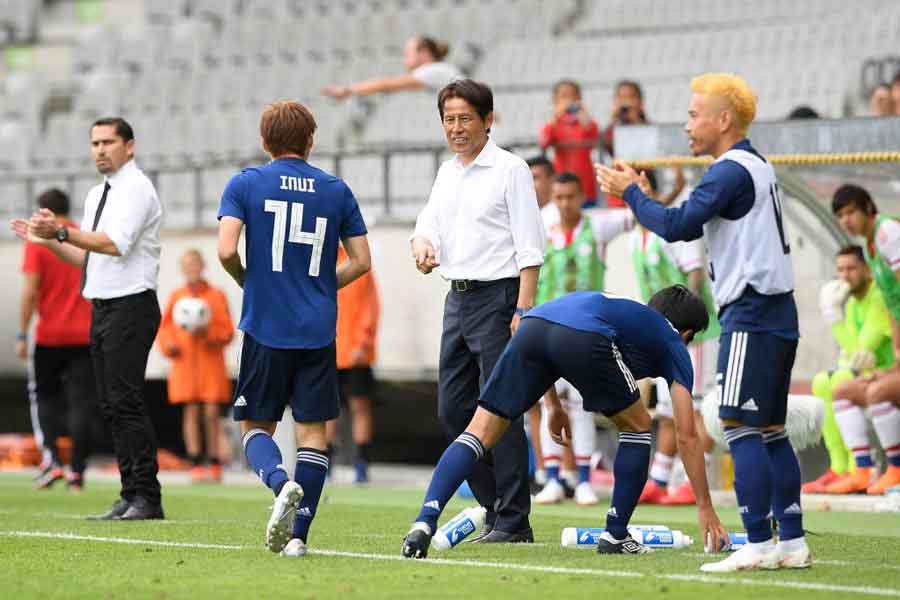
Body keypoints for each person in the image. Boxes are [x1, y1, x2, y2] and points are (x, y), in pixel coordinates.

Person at [597, 73, 811, 572]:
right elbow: (683, 217)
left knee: (736, 423)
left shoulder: (728, 170)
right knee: (772, 429)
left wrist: (631, 193)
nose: (687, 123)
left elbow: (677, 225)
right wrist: (646, 197)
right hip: (778, 310)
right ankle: (792, 541)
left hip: (752, 311)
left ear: (723, 119)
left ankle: (757, 541)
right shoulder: (755, 165)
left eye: (695, 114)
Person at [401, 286, 728, 558]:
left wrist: (553, 405)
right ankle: (615, 535)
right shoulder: (674, 343)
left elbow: (556, 343)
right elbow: (687, 435)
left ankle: (425, 520)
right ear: (687, 333)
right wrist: (705, 508)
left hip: (535, 324)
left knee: (479, 430)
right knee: (638, 425)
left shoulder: (628, 314)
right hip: (582, 335)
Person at [217, 100, 371, 557]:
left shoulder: (246, 183)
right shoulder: (336, 189)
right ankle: (298, 538)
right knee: (313, 434)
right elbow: (362, 262)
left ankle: (280, 483)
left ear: (265, 142)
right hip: (318, 328)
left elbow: (226, 249)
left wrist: (249, 280)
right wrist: (322, 285)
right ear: (310, 141)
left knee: (254, 427)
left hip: (266, 323)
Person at [411, 79, 545, 544]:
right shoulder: (446, 172)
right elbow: (425, 227)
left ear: (488, 120)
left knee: (501, 410)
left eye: (465, 117)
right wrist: (422, 246)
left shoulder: (511, 170)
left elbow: (530, 247)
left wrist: (523, 309)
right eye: (448, 119)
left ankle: (513, 519)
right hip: (458, 299)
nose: (456, 127)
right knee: (453, 409)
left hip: (500, 298)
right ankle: (493, 507)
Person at [12, 117, 165, 520]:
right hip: (103, 305)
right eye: (94, 143)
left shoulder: (136, 188)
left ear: (129, 146)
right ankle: (130, 493)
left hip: (131, 305)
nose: (99, 150)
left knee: (126, 402)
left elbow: (114, 244)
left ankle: (147, 496)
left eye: (108, 142)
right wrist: (47, 240)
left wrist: (60, 232)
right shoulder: (99, 193)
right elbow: (86, 256)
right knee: (111, 405)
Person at [532, 171, 634, 507]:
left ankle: (586, 480)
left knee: (582, 405)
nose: (564, 204)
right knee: (552, 403)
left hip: (587, 330)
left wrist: (638, 191)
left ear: (581, 197)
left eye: (570, 197)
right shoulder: (541, 227)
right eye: (558, 197)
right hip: (548, 327)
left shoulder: (597, 226)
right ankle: (553, 478)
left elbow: (636, 217)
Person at [630, 168, 719, 506]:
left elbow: (695, 272)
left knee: (696, 406)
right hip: (666, 337)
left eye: (640, 186)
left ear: (653, 191)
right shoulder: (636, 237)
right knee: (668, 408)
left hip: (695, 336)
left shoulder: (674, 230)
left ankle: (691, 481)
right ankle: (659, 479)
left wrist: (685, 319)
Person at [18, 188, 96, 491]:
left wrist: (22, 333)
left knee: (47, 400)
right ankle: (77, 471)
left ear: (43, 210)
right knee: (81, 403)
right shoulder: (81, 236)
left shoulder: (39, 239)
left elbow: (29, 291)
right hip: (84, 334)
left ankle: (52, 462)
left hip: (50, 334)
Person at [828, 184, 900, 494]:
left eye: (850, 212)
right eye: (840, 215)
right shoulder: (871, 247)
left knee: (878, 392)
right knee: (843, 390)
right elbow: (895, 307)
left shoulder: (888, 234)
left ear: (868, 207)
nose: (846, 221)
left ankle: (896, 469)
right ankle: (862, 472)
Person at [804, 245, 893, 493]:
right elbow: (852, 355)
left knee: (841, 378)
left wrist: (833, 317)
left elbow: (861, 352)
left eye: (851, 268)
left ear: (867, 270)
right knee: (823, 381)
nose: (845, 275)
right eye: (840, 269)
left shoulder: (878, 297)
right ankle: (839, 467)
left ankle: (860, 469)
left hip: (886, 374)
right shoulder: (852, 302)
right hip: (867, 376)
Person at [156, 249, 235, 483]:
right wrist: (169, 345)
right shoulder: (177, 296)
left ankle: (214, 459)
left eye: (195, 263)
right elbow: (165, 328)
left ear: (202, 266)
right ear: (182, 268)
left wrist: (208, 333)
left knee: (211, 411)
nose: (192, 268)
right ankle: (196, 460)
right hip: (185, 362)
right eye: (187, 264)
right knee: (190, 410)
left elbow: (227, 330)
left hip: (210, 361)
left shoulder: (216, 295)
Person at [326, 242, 381, 484]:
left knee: (360, 406)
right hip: (326, 347)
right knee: (326, 409)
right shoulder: (317, 259)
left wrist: (364, 340)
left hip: (355, 351)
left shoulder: (357, 260)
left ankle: (362, 462)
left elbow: (370, 306)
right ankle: (324, 462)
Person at [322, 36, 461, 100]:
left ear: (424, 53)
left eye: (407, 54)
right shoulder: (441, 71)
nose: (404, 60)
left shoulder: (432, 70)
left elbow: (386, 85)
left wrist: (348, 90)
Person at [539, 80, 600, 207]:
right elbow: (544, 142)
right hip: (562, 185)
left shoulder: (586, 122)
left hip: (585, 185)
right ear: (555, 100)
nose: (569, 100)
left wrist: (583, 115)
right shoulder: (554, 124)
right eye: (564, 96)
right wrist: (556, 116)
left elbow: (594, 136)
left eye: (572, 95)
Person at [601, 80, 647, 208]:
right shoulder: (613, 126)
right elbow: (606, 146)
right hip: (618, 187)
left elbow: (648, 146)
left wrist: (636, 121)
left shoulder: (646, 125)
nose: (626, 102)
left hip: (643, 183)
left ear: (640, 101)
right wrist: (614, 119)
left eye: (631, 97)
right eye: (621, 97)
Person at [526, 155, 559, 229]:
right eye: (526, 178)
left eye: (534, 178)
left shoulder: (563, 213)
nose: (528, 183)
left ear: (552, 179)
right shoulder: (523, 215)